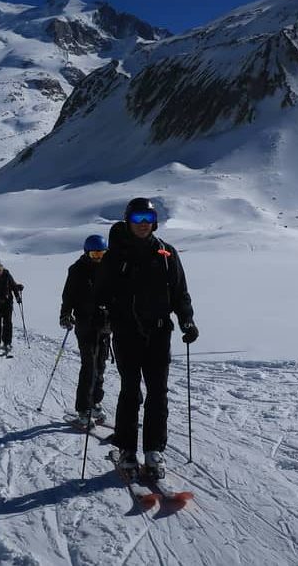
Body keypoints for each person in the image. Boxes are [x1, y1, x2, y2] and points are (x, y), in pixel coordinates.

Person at [95, 198, 198, 479]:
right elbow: (100, 292)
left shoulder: (166, 253)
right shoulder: (115, 255)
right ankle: (128, 449)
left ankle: (154, 450)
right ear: (128, 220)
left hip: (159, 332)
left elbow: (180, 292)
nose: (143, 224)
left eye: (148, 217)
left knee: (158, 392)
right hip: (126, 332)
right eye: (138, 218)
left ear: (154, 221)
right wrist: (100, 317)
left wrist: (187, 319)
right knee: (130, 391)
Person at [60, 234, 111, 429]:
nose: (98, 257)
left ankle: (95, 402)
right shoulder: (77, 270)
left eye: (102, 253)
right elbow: (68, 295)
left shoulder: (109, 269)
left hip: (105, 326)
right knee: (89, 366)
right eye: (95, 253)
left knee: (101, 366)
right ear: (86, 252)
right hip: (86, 324)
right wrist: (65, 314)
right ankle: (83, 410)